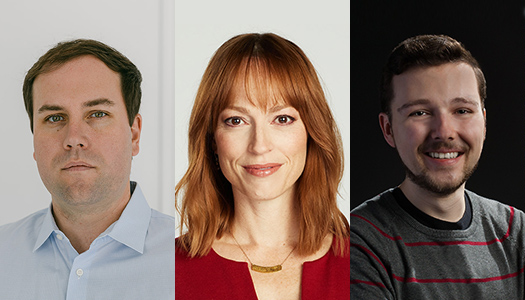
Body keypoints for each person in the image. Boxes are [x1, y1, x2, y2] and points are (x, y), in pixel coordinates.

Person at [175, 33, 350, 299]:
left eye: (282, 118)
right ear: (212, 139)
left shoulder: (366, 260)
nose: (259, 145)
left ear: (312, 131)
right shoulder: (166, 271)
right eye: (236, 121)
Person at [350, 34, 524, 299]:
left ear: (484, 122)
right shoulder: (358, 243)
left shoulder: (517, 232)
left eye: (462, 110)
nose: (444, 132)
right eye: (419, 112)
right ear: (388, 129)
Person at [0, 39, 174, 299]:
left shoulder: (188, 257)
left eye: (97, 114)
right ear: (34, 139)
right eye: (54, 118)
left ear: (134, 134)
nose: (73, 137)